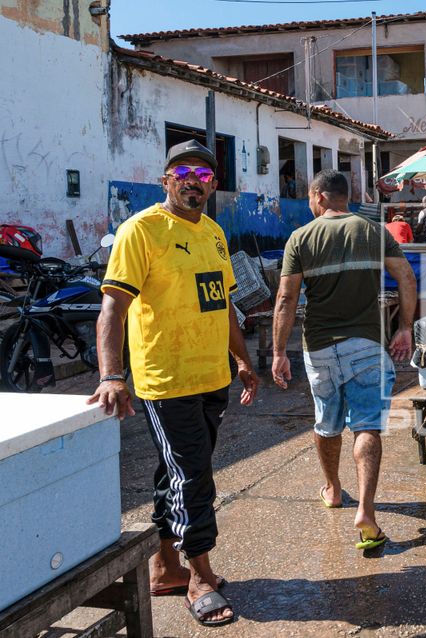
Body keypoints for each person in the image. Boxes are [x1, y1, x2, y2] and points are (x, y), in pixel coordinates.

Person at [88, 140, 260, 627]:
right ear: (166, 179)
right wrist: (112, 375)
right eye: (183, 171)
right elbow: (113, 308)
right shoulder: (140, 230)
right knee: (194, 476)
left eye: (204, 175)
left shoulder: (214, 233)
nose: (194, 180)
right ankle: (200, 575)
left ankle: (163, 567)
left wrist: (242, 361)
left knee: (178, 472)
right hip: (166, 380)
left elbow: (222, 303)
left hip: (212, 376)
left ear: (213, 186)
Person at [272, 170, 417, 552]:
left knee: (327, 422)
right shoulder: (373, 231)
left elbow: (286, 300)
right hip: (367, 344)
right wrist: (405, 327)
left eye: (308, 197)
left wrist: (277, 351)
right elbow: (405, 276)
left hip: (318, 346)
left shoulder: (300, 238)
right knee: (367, 426)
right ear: (344, 196)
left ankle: (334, 489)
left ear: (319, 196)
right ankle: (366, 512)